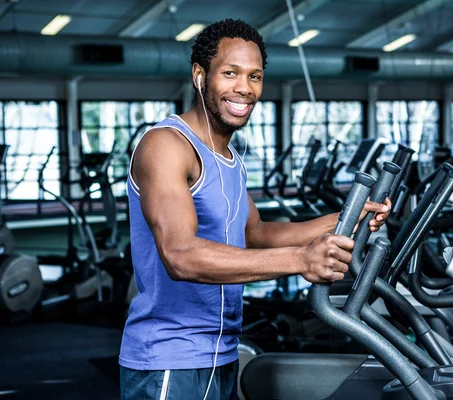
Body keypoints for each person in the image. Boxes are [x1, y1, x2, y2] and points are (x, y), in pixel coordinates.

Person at [119, 19, 391, 400]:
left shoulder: (229, 157)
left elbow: (256, 234)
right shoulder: (166, 145)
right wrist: (300, 260)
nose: (244, 88)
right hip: (170, 357)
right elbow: (180, 255)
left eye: (255, 76)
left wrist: (347, 218)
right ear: (200, 76)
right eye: (230, 73)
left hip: (222, 353)